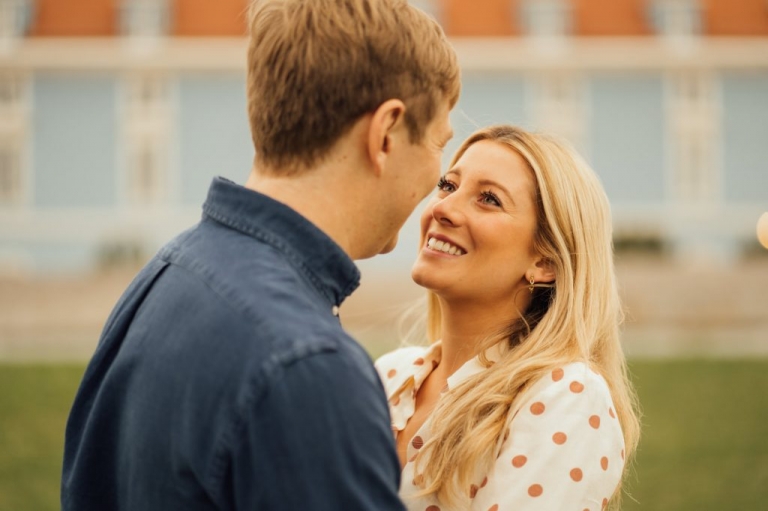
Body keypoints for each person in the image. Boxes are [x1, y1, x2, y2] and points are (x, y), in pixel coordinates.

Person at [61, 1, 459, 509]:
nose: (437, 184)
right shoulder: (307, 367)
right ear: (385, 134)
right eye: (437, 145)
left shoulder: (164, 277)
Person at [376, 125, 641, 511]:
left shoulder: (566, 396)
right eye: (447, 185)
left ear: (546, 261)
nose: (442, 208)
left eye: (488, 199)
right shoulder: (386, 377)